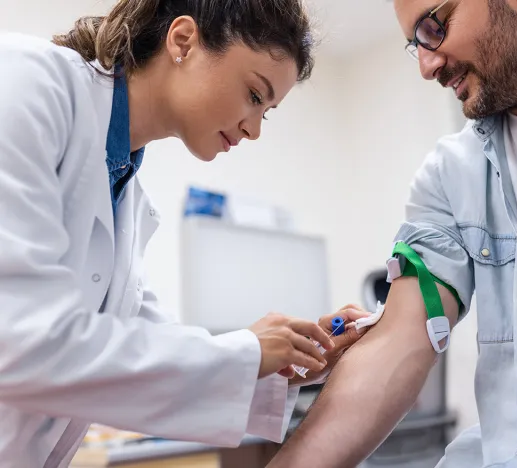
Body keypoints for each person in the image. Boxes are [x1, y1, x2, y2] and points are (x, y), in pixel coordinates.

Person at [268, 0, 517, 467]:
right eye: (415, 44)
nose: (426, 66)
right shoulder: (449, 177)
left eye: (432, 27)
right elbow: (399, 339)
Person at [0, 0, 370, 466]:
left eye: (267, 112)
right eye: (255, 95)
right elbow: (22, 343)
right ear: (183, 41)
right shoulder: (25, 83)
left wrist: (282, 363)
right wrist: (247, 353)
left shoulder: (126, 196)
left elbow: (139, 356)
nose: (254, 130)